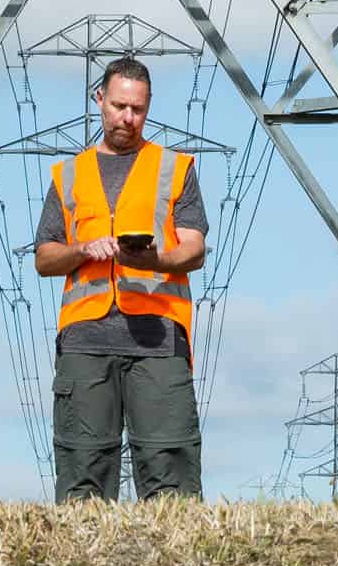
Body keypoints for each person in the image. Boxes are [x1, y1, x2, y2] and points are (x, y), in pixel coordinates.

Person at [32, 55, 207, 501]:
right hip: (84, 342)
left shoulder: (176, 168)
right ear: (99, 101)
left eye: (138, 109)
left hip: (159, 338)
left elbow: (194, 249)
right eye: (118, 106)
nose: (128, 117)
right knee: (81, 486)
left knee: (173, 485)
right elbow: (44, 257)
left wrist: (155, 260)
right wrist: (81, 249)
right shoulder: (68, 175)